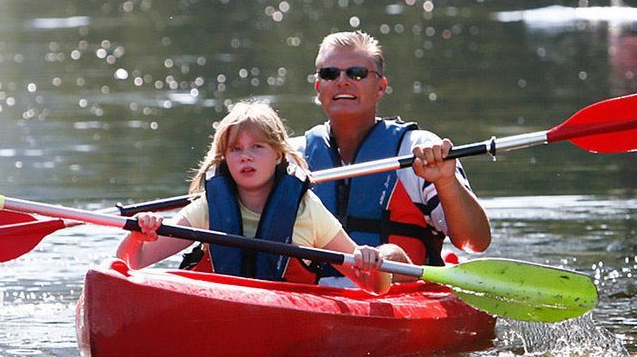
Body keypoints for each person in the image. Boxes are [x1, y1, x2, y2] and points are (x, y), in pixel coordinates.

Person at [116, 100, 394, 294]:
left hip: (286, 320)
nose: (246, 156)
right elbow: (131, 263)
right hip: (218, 315)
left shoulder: (306, 211)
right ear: (225, 158)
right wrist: (138, 235)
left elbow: (374, 287)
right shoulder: (208, 209)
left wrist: (371, 260)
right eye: (236, 149)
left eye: (257, 146)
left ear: (278, 155)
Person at [299, 31, 492, 284]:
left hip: (402, 293)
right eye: (329, 74)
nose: (342, 81)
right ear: (318, 87)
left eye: (356, 73)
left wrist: (446, 182)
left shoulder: (418, 150)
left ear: (380, 87)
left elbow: (474, 242)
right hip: (309, 298)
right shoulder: (292, 157)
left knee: (390, 255)